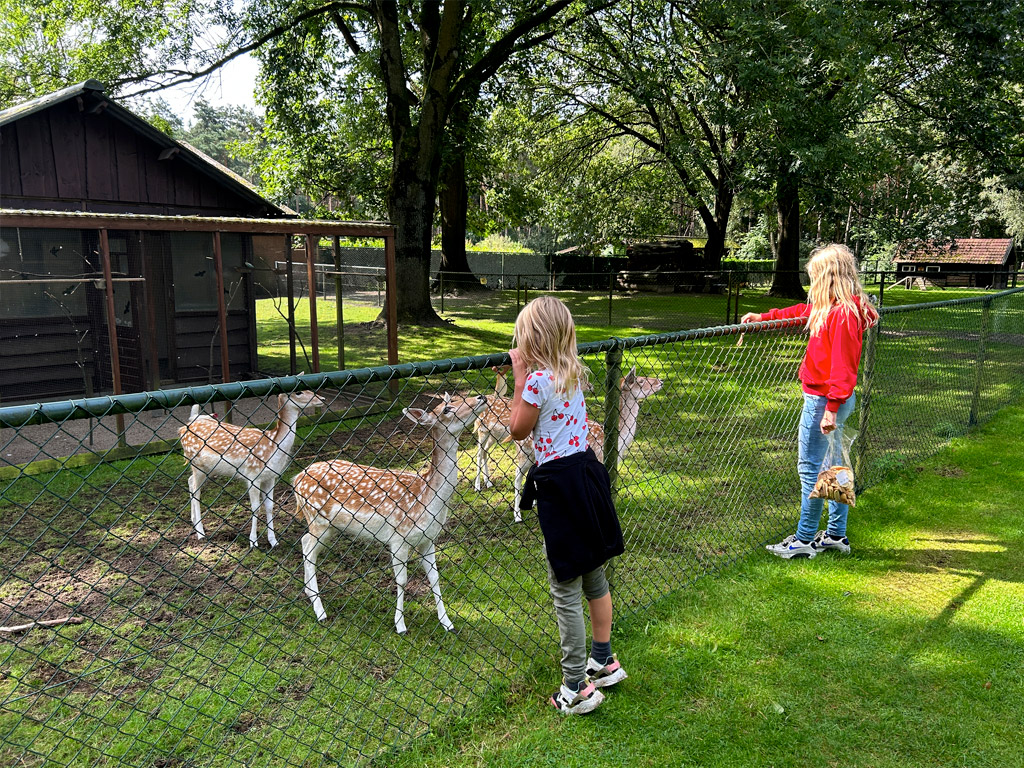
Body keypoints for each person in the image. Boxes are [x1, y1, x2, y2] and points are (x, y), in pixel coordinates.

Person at [505, 295, 627, 715]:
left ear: (532, 339)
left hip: (559, 486)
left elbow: (518, 430)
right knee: (593, 573)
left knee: (565, 586)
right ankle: (604, 659)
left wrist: (519, 380)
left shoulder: (538, 380)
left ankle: (576, 685)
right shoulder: (573, 372)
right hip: (587, 474)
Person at [741, 244, 879, 559]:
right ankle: (835, 535)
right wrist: (763, 317)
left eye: (815, 276)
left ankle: (803, 541)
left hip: (825, 401)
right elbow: (800, 312)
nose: (812, 283)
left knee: (811, 470)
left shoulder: (842, 314)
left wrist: (829, 410)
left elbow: (843, 370)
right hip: (832, 400)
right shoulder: (834, 307)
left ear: (829, 278)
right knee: (833, 467)